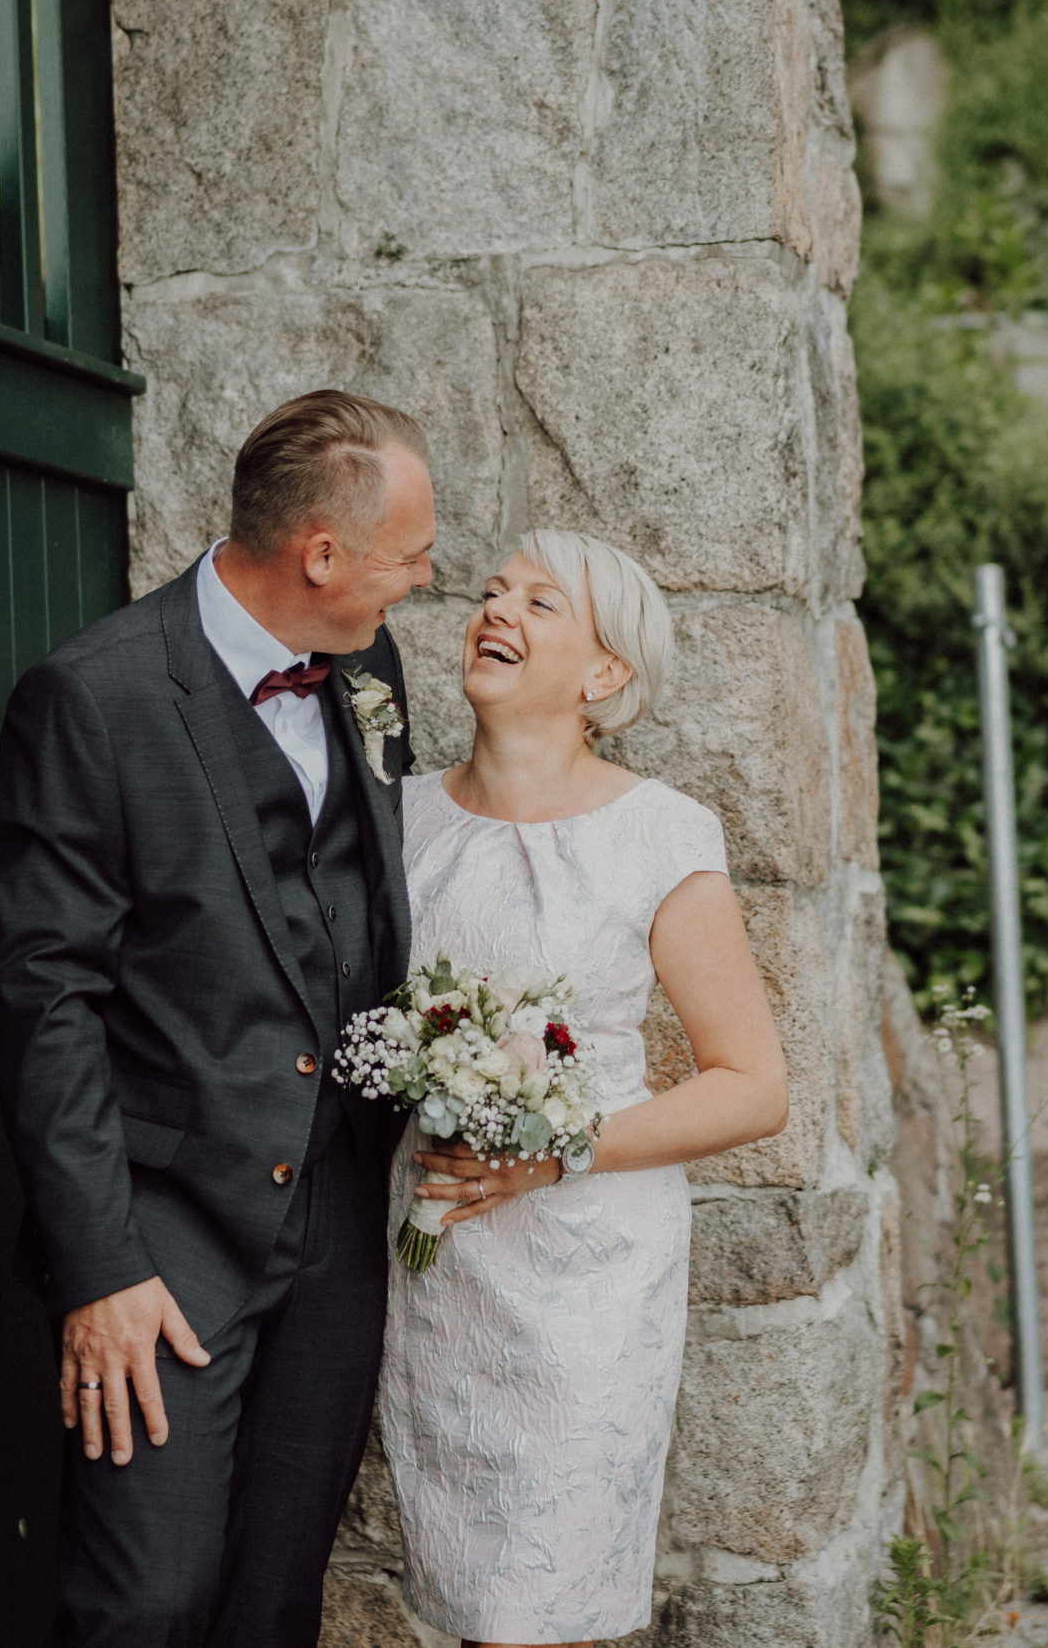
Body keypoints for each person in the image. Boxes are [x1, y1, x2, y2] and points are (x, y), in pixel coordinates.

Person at [0, 388, 435, 1645]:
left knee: (275, 1596)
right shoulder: (93, 698)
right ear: (322, 555)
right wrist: (102, 1267)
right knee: (148, 1597)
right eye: (409, 554)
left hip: (335, 1215)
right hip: (166, 1234)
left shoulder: (370, 668)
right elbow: (43, 995)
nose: (426, 578)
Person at [380, 530, 790, 1647]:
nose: (496, 610)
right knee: (474, 1608)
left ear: (604, 674)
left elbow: (752, 1086)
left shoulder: (658, 835)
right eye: (493, 592)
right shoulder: (396, 823)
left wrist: (553, 1152)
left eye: (541, 602)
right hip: (443, 1261)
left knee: (549, 1606)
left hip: (592, 1274)